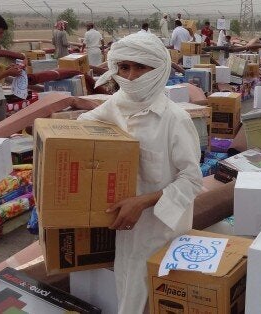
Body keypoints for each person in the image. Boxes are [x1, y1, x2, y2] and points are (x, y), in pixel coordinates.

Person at [77, 33, 202, 314]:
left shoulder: (174, 119)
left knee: (156, 299)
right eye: (124, 68)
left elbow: (192, 180)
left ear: (159, 70)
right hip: (125, 227)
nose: (132, 76)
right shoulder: (117, 104)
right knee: (128, 291)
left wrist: (142, 201)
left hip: (162, 231)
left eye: (140, 67)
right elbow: (82, 130)